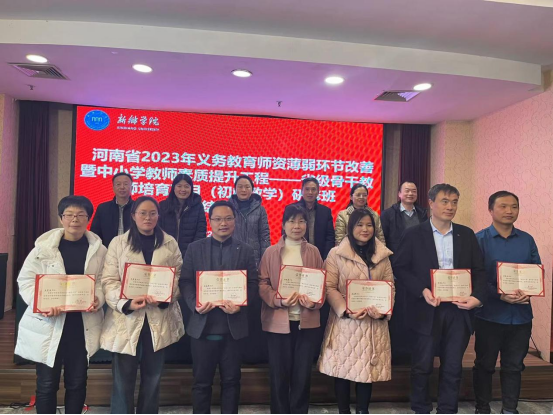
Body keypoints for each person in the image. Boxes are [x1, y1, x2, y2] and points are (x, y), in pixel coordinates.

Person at [394, 183, 487, 415]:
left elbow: (479, 271)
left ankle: (447, 409)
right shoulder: (414, 234)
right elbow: (401, 268)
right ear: (431, 203)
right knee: (422, 365)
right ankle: (421, 408)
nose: (450, 206)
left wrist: (477, 297)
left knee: (453, 367)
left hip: (459, 310)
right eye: (445, 201)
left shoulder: (466, 234)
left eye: (454, 202)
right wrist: (422, 290)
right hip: (426, 309)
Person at [15, 196, 107, 415]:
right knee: (47, 384)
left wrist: (98, 298)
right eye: (69, 215)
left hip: (81, 325)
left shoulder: (99, 250)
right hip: (49, 323)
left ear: (88, 218)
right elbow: (25, 280)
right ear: (61, 218)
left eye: (81, 215)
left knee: (77, 382)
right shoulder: (43, 248)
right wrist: (41, 303)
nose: (75, 219)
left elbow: (103, 282)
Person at [100, 196, 184, 414]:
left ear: (158, 216)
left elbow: (178, 277)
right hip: (127, 317)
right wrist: (126, 302)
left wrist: (165, 297)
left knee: (153, 376)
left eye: (152, 213)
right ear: (133, 216)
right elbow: (109, 280)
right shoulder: (118, 243)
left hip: (158, 316)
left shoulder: (170, 243)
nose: (148, 217)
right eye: (143, 213)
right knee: (123, 378)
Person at [180, 201, 259, 414]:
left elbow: (252, 283)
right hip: (203, 328)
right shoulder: (195, 248)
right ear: (210, 221)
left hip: (233, 329)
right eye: (218, 219)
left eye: (228, 218)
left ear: (234, 221)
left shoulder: (245, 250)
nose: (223, 223)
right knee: (201, 383)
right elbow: (185, 281)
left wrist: (241, 305)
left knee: (232, 381)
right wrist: (195, 304)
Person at [318, 209, 395, 415]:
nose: (365, 229)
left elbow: (390, 286)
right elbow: (329, 287)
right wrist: (346, 310)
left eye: (369, 225)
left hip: (373, 322)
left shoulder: (382, 255)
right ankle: (343, 410)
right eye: (359, 225)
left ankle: (363, 410)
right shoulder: (336, 254)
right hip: (345, 322)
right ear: (350, 228)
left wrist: (383, 311)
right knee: (342, 369)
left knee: (366, 372)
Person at [473, 191, 542, 415]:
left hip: (521, 318)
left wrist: (529, 292)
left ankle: (510, 409)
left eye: (514, 206)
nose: (509, 211)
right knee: (485, 365)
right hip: (489, 315)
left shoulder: (527, 240)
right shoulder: (479, 239)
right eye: (503, 206)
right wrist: (498, 295)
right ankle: (482, 408)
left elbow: (536, 272)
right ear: (491, 210)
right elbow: (475, 278)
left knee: (514, 366)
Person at [259, 204, 324, 414]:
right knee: (279, 374)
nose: (297, 226)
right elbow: (262, 283)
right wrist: (278, 300)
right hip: (278, 323)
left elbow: (321, 284)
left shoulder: (314, 252)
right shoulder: (271, 252)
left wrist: (314, 302)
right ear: (283, 224)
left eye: (301, 221)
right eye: (292, 221)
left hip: (306, 323)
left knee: (302, 375)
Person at [285, 177, 335, 260]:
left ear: (318, 192)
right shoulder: (291, 209)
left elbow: (330, 237)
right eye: (307, 189)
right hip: (295, 254)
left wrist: (326, 258)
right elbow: (286, 233)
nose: (310, 192)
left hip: (319, 256)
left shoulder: (325, 211)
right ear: (302, 191)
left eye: (313, 189)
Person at [159, 173, 207, 259]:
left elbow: (201, 231)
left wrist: (192, 252)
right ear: (174, 188)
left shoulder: (197, 207)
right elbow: (158, 230)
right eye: (179, 186)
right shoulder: (163, 206)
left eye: (186, 186)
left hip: (190, 255)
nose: (183, 189)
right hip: (166, 253)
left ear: (191, 188)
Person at [229, 175, 271, 267]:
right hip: (232, 255)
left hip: (253, 257)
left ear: (252, 189)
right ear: (235, 189)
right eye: (240, 187)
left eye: (247, 187)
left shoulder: (260, 210)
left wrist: (265, 259)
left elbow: (264, 235)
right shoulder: (228, 208)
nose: (243, 190)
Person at [381, 181, 428, 259]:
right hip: (397, 258)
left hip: (419, 257)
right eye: (407, 191)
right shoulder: (388, 214)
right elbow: (383, 239)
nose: (410, 194)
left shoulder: (422, 213)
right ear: (399, 194)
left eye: (414, 191)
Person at [91, 172, 134, 247]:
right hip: (108, 250)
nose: (122, 187)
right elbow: (95, 234)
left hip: (133, 249)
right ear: (113, 188)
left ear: (132, 188)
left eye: (126, 184)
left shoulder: (138, 207)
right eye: (118, 184)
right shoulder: (103, 208)